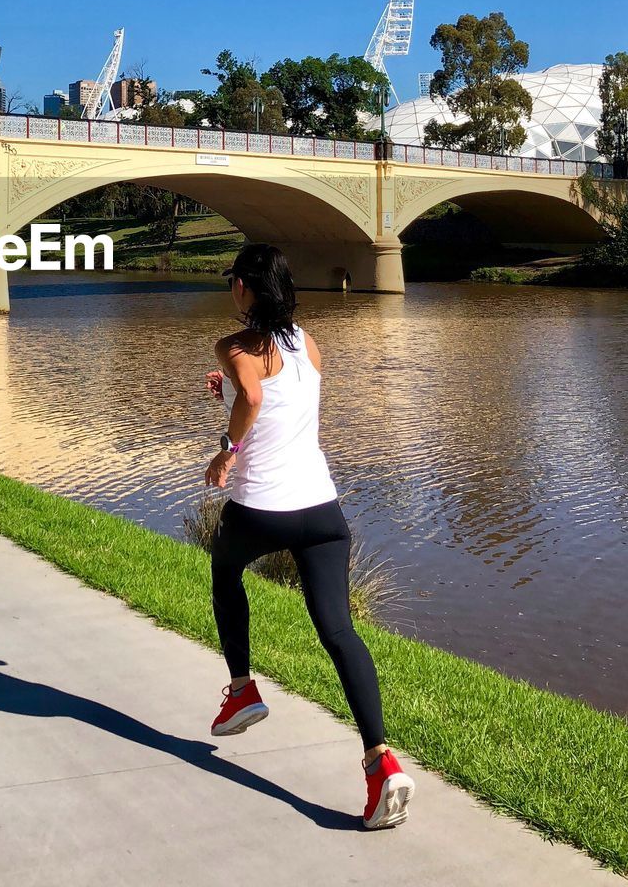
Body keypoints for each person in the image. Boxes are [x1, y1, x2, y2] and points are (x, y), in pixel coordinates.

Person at [204, 242, 414, 831]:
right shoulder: (307, 344)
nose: (230, 290)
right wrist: (225, 391)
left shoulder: (236, 346)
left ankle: (242, 688)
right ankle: (381, 762)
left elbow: (253, 397)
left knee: (225, 572)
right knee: (338, 630)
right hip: (321, 511)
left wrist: (226, 451)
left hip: (261, 508)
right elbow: (276, 400)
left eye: (231, 281)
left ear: (244, 288)